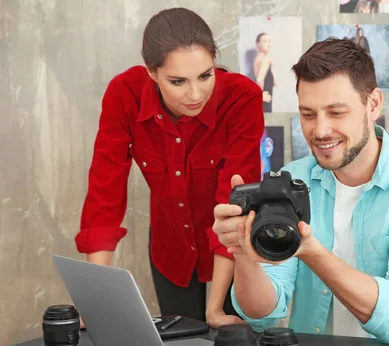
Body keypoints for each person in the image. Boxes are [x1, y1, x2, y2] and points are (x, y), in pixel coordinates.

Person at [213, 38, 389, 344]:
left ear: (373, 105)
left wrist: (312, 251)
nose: (319, 131)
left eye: (336, 112)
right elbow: (263, 316)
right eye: (307, 114)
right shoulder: (293, 179)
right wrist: (244, 254)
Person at [75, 8, 264, 328]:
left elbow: (233, 202)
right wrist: (96, 299)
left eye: (205, 75)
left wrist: (215, 308)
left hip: (232, 246)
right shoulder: (125, 96)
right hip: (171, 247)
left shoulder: (241, 98)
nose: (195, 94)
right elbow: (104, 193)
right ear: (151, 72)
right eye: (178, 81)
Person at [253, 33, 277, 113]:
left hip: (265, 98)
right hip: (264, 99)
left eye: (269, 41)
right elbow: (259, 80)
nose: (268, 44)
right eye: (264, 41)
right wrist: (261, 95)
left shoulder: (262, 58)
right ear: (258, 44)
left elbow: (275, 83)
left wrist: (271, 67)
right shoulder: (264, 59)